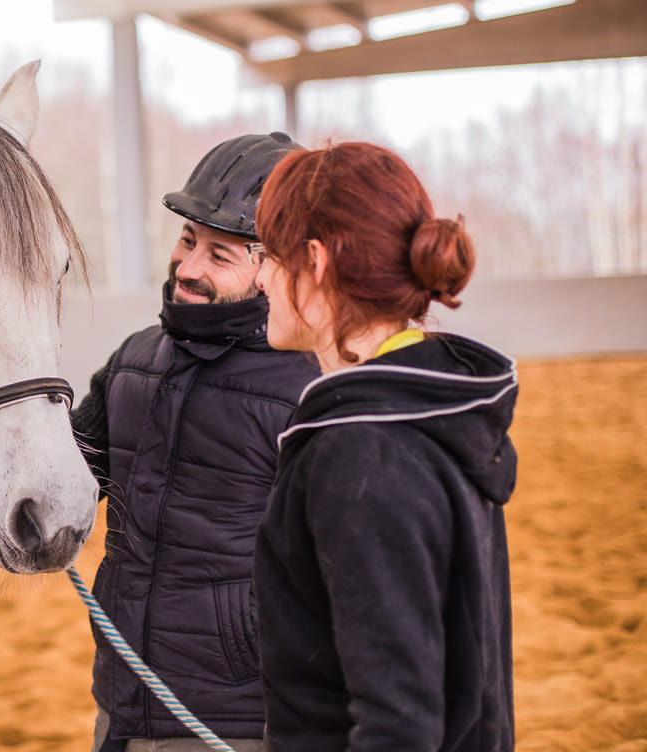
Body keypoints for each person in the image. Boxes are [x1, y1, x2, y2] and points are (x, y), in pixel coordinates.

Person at [250, 141, 517, 751]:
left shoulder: (362, 451)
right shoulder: (432, 407)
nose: (260, 277)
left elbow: (398, 723)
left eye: (268, 255)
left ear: (314, 261)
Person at [71, 132, 321, 752]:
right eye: (187, 240)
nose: (187, 268)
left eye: (219, 254)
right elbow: (63, 481)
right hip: (119, 708)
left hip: (236, 724)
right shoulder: (133, 359)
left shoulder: (310, 391)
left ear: (274, 267)